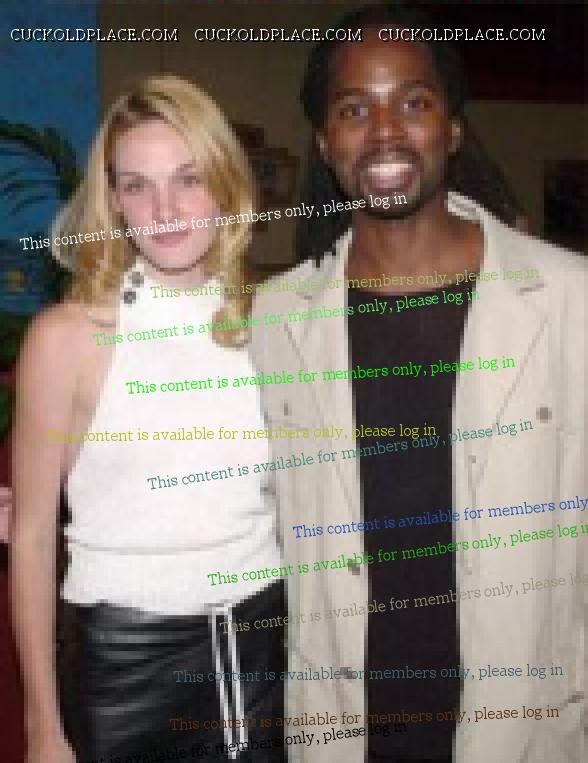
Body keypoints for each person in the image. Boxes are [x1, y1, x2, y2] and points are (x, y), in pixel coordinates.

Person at [250, 4, 586, 762]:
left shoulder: (571, 300)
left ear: (454, 128)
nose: (385, 132)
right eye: (354, 109)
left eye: (413, 102)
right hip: (345, 730)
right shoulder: (276, 320)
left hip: (525, 727)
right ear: (325, 141)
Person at [11, 75, 286, 763]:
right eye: (137, 185)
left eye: (188, 179)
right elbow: (33, 537)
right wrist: (42, 727)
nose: (164, 209)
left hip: (262, 650)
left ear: (224, 184)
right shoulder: (66, 338)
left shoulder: (274, 319)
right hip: (121, 665)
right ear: (113, 200)